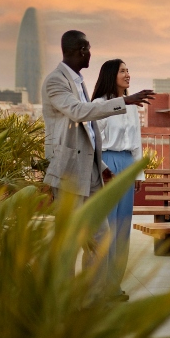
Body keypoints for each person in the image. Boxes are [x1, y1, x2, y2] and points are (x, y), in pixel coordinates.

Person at [41, 31, 153, 294]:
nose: (90, 53)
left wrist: (101, 168)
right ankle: (64, 298)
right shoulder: (56, 81)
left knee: (101, 237)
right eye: (88, 48)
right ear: (80, 50)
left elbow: (90, 135)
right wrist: (124, 101)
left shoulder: (78, 82)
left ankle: (94, 296)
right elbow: (78, 113)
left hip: (92, 170)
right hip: (69, 172)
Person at [92, 58, 145, 302]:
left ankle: (115, 285)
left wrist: (138, 172)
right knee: (107, 228)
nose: (127, 74)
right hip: (107, 165)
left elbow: (137, 142)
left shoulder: (132, 106)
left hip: (127, 164)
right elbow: (94, 142)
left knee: (123, 227)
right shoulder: (99, 105)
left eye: (128, 70)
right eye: (122, 71)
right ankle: (100, 286)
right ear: (111, 75)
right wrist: (103, 168)